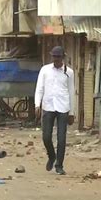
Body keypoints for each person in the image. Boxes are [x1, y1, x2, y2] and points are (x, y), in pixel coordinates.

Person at [35, 46, 75, 175]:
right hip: (48, 106)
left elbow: (71, 91)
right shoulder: (45, 70)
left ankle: (59, 165)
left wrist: (72, 112)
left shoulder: (69, 72)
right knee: (46, 136)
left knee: (61, 138)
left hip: (63, 107)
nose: (56, 59)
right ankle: (51, 156)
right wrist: (37, 104)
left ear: (63, 57)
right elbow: (39, 88)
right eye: (54, 57)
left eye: (58, 57)